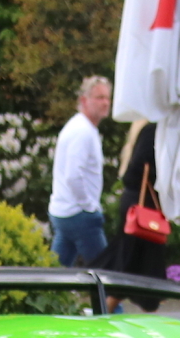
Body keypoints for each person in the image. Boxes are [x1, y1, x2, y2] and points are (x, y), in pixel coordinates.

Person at [100, 120, 167, 308]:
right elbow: (141, 165)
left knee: (134, 261)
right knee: (135, 263)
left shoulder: (142, 128)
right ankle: (109, 308)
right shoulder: (152, 129)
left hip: (137, 205)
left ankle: (111, 308)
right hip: (143, 207)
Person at [50, 76, 113, 266]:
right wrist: (89, 206)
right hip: (79, 214)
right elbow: (73, 175)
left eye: (107, 98)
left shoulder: (81, 127)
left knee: (55, 276)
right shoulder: (82, 131)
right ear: (84, 101)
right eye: (99, 97)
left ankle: (42, 295)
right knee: (104, 273)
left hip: (65, 212)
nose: (105, 103)